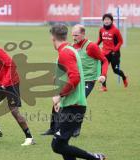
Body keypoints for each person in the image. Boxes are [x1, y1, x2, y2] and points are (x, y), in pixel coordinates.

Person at [50, 24, 106, 160]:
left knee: (57, 145)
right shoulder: (70, 49)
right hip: (70, 105)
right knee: (63, 145)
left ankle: (95, 157)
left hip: (74, 106)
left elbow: (75, 77)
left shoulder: (65, 52)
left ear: (53, 38)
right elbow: (67, 76)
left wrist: (59, 95)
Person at [97, 13, 128, 91]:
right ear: (103, 21)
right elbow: (100, 39)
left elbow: (121, 41)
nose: (106, 21)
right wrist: (94, 45)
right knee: (103, 70)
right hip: (104, 53)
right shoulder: (101, 30)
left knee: (116, 70)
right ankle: (104, 87)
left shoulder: (115, 30)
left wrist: (115, 50)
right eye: (105, 19)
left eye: (108, 19)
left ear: (111, 21)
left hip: (114, 54)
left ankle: (124, 77)